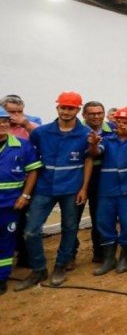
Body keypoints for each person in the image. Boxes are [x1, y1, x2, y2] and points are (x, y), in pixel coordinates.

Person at [15, 91, 99, 290]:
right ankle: (38, 269)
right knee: (31, 231)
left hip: (71, 189)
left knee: (70, 228)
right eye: (63, 107)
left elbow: (88, 160)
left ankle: (61, 265)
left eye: (71, 108)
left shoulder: (85, 134)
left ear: (78, 110)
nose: (66, 111)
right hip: (44, 188)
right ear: (57, 108)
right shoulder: (41, 133)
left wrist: (84, 188)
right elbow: (32, 157)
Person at [92, 107, 127, 275]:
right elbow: (95, 153)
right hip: (107, 189)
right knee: (104, 222)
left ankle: (124, 256)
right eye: (119, 121)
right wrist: (93, 144)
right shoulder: (107, 139)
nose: (122, 124)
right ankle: (109, 259)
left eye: (126, 122)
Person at [0, 107, 42, 295]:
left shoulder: (22, 145)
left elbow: (33, 170)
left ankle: (2, 277)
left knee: (6, 241)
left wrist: (24, 195)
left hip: (9, 204)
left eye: (5, 121)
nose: (2, 125)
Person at [75, 101, 116, 267]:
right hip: (79, 177)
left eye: (99, 113)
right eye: (92, 114)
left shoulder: (113, 128)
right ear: (84, 115)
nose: (96, 116)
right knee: (72, 218)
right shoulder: (77, 131)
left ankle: (99, 252)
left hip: (104, 178)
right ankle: (70, 254)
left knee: (100, 216)